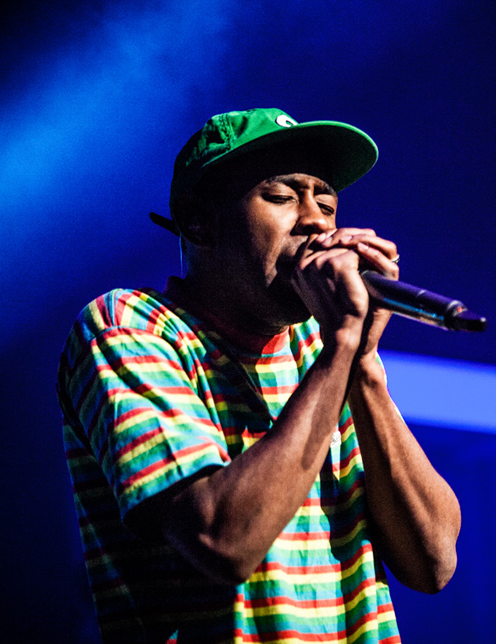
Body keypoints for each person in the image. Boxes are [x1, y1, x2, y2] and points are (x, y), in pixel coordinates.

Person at [57, 108, 461, 643]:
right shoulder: (129, 326)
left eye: (326, 203)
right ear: (199, 222)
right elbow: (222, 541)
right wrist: (341, 349)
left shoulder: (322, 347)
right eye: (282, 196)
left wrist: (362, 364)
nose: (317, 222)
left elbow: (433, 562)